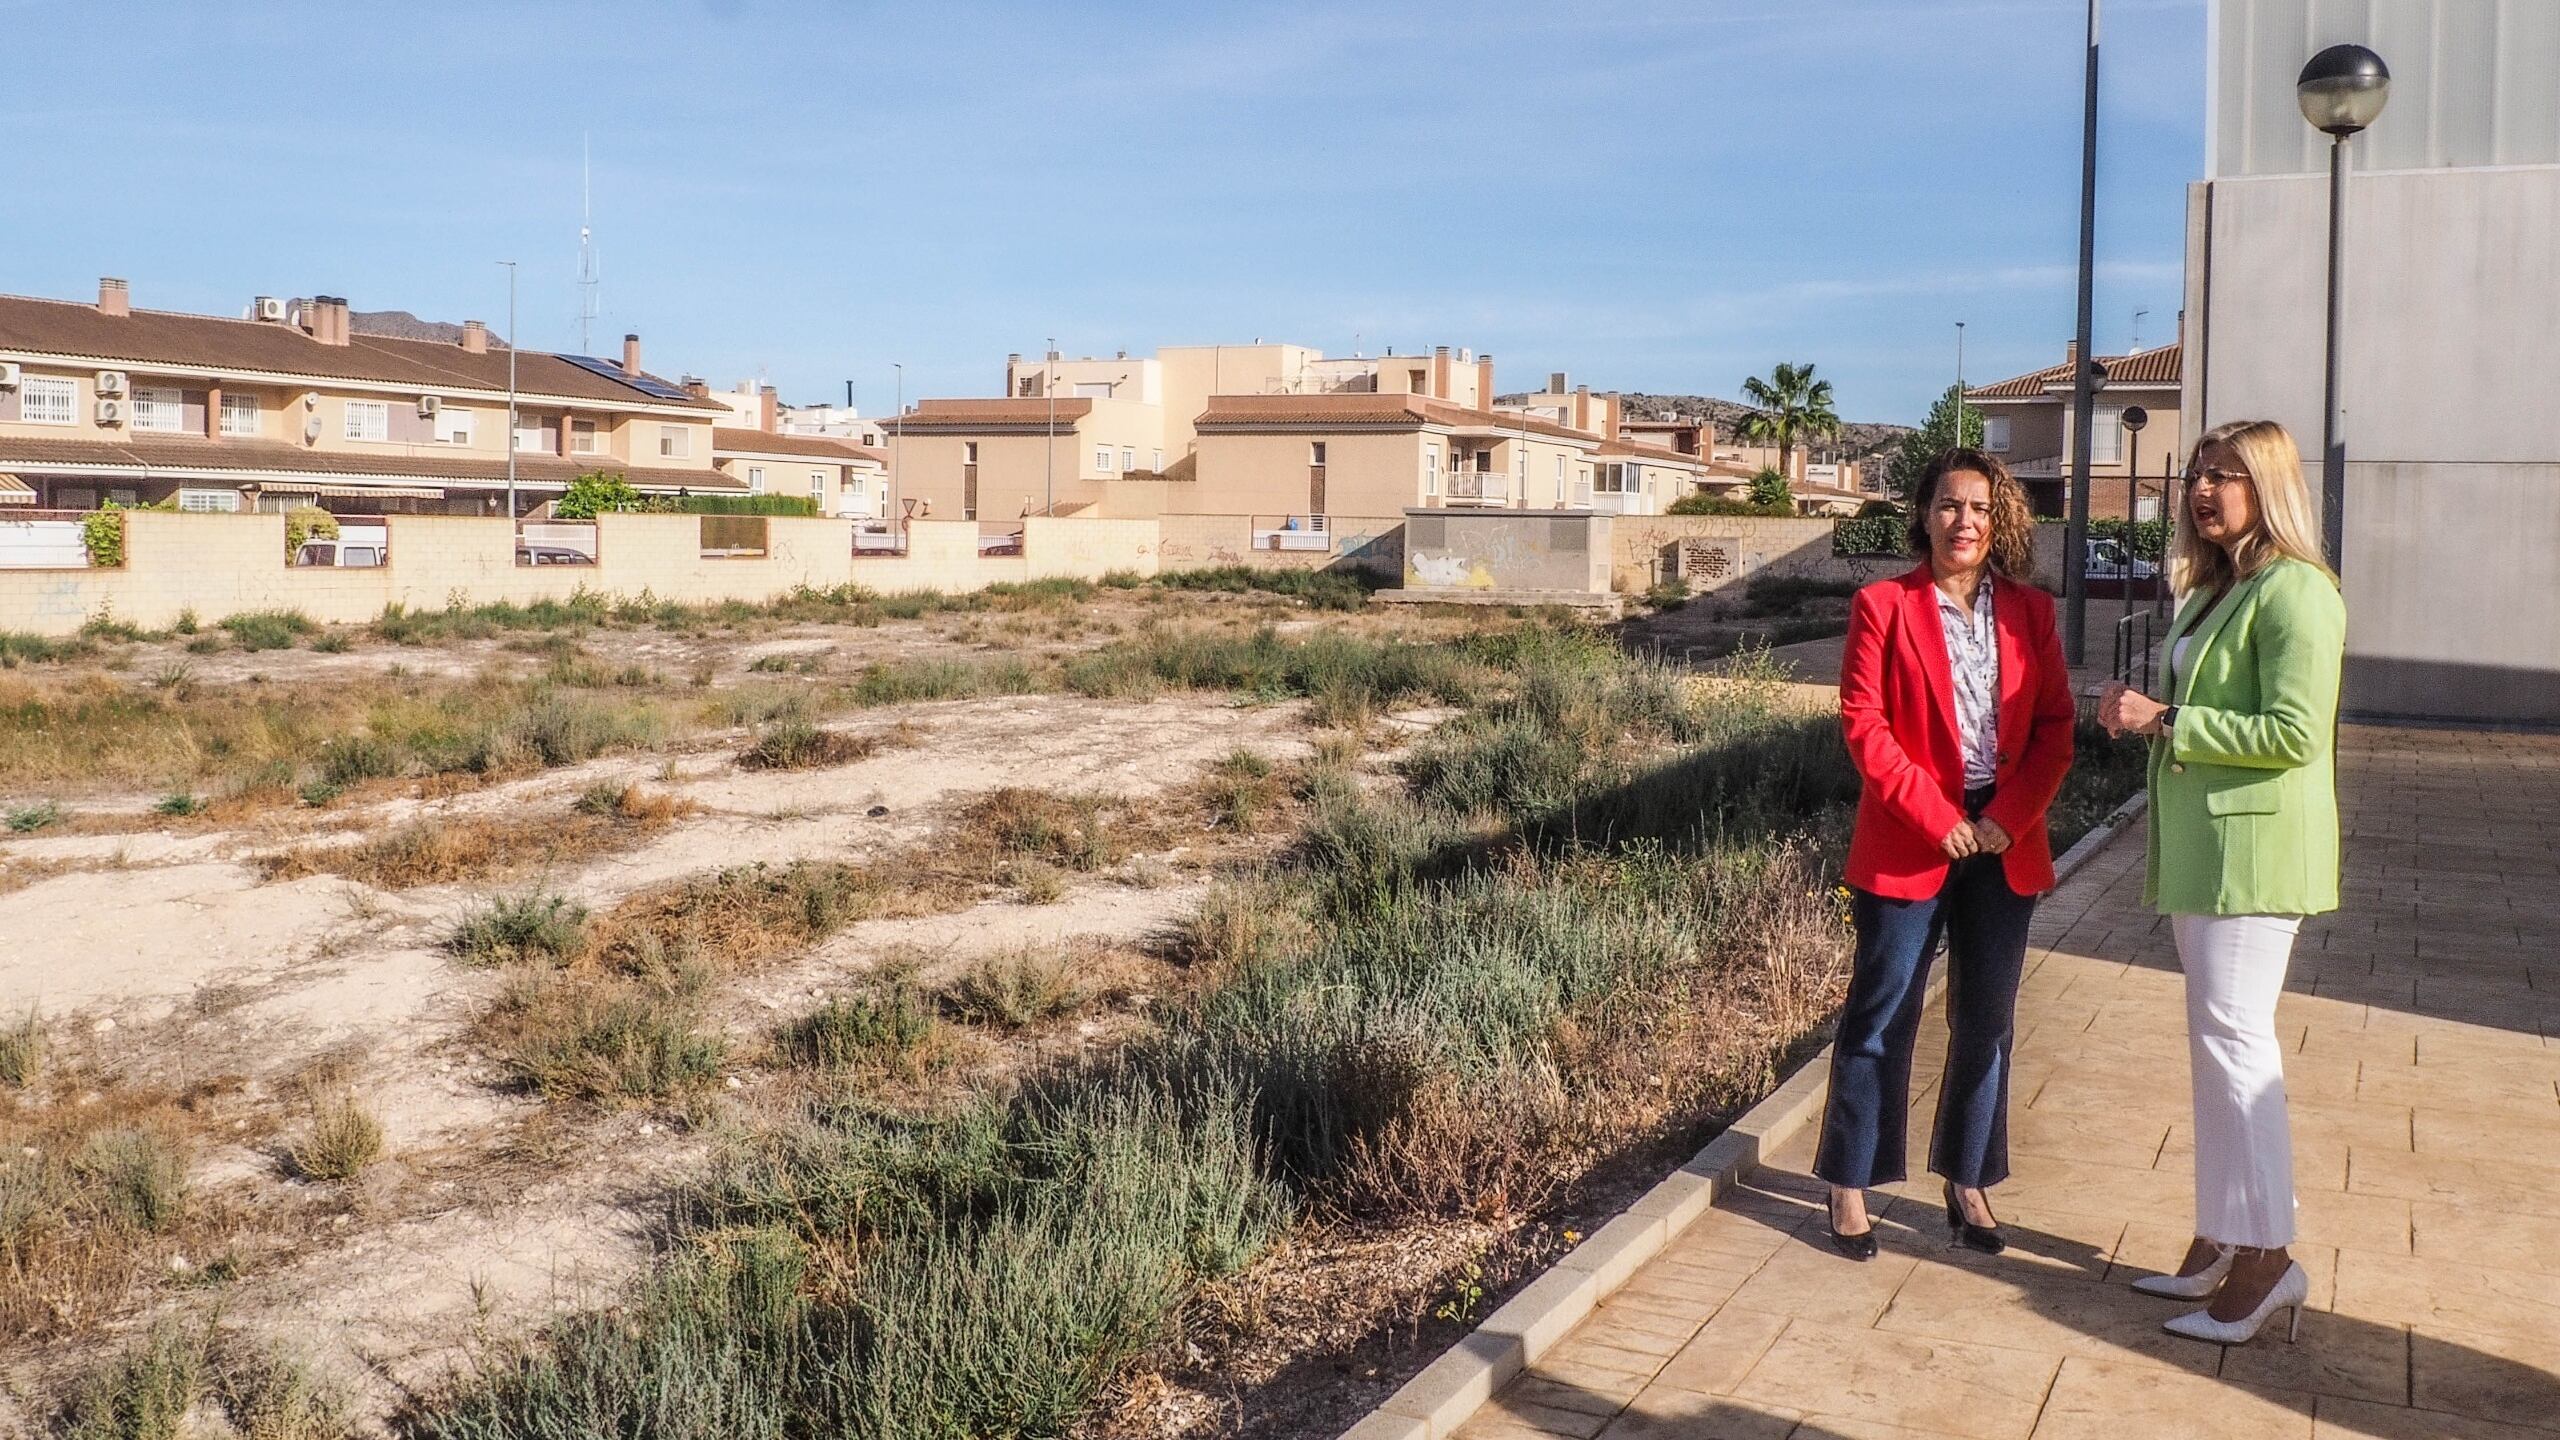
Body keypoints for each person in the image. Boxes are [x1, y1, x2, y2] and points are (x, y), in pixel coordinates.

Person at [2100, 418, 2346, 1345]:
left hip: (2256, 858)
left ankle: (2269, 1256)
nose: (2203, 490)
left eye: (2227, 476)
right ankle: (2220, 1235)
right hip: (2205, 854)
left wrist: (2167, 719)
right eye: (2197, 474)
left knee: (2241, 1046)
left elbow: (2293, 734)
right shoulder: (2217, 588)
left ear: (2270, 486)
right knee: (2213, 1045)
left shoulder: (2298, 593)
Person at [1818, 449, 2077, 1260]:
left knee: (1987, 1019)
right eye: (1948, 506)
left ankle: (1968, 1178)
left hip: (2004, 839)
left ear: (1998, 521)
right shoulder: (1883, 606)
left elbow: (2055, 728)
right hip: (1911, 836)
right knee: (1882, 1010)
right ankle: (1850, 1183)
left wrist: (2007, 816)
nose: (1963, 521)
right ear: (1923, 515)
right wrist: (1939, 819)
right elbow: (1865, 724)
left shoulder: (2032, 614)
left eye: (1978, 508)